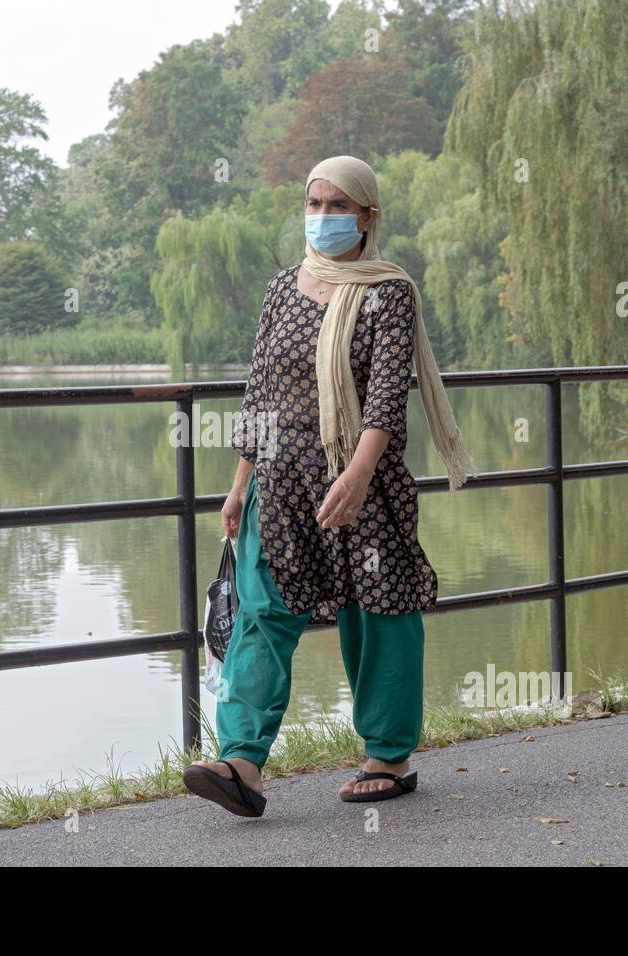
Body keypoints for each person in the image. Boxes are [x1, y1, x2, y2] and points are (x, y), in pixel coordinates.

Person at [182, 155, 478, 818]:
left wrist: (359, 472)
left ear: (368, 217)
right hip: (279, 487)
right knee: (262, 611)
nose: (322, 217)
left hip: (360, 485)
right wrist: (239, 485)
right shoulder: (284, 287)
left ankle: (388, 756)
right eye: (314, 204)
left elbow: (384, 398)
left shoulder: (388, 292)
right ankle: (241, 763)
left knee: (377, 614)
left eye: (337, 206)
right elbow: (261, 392)